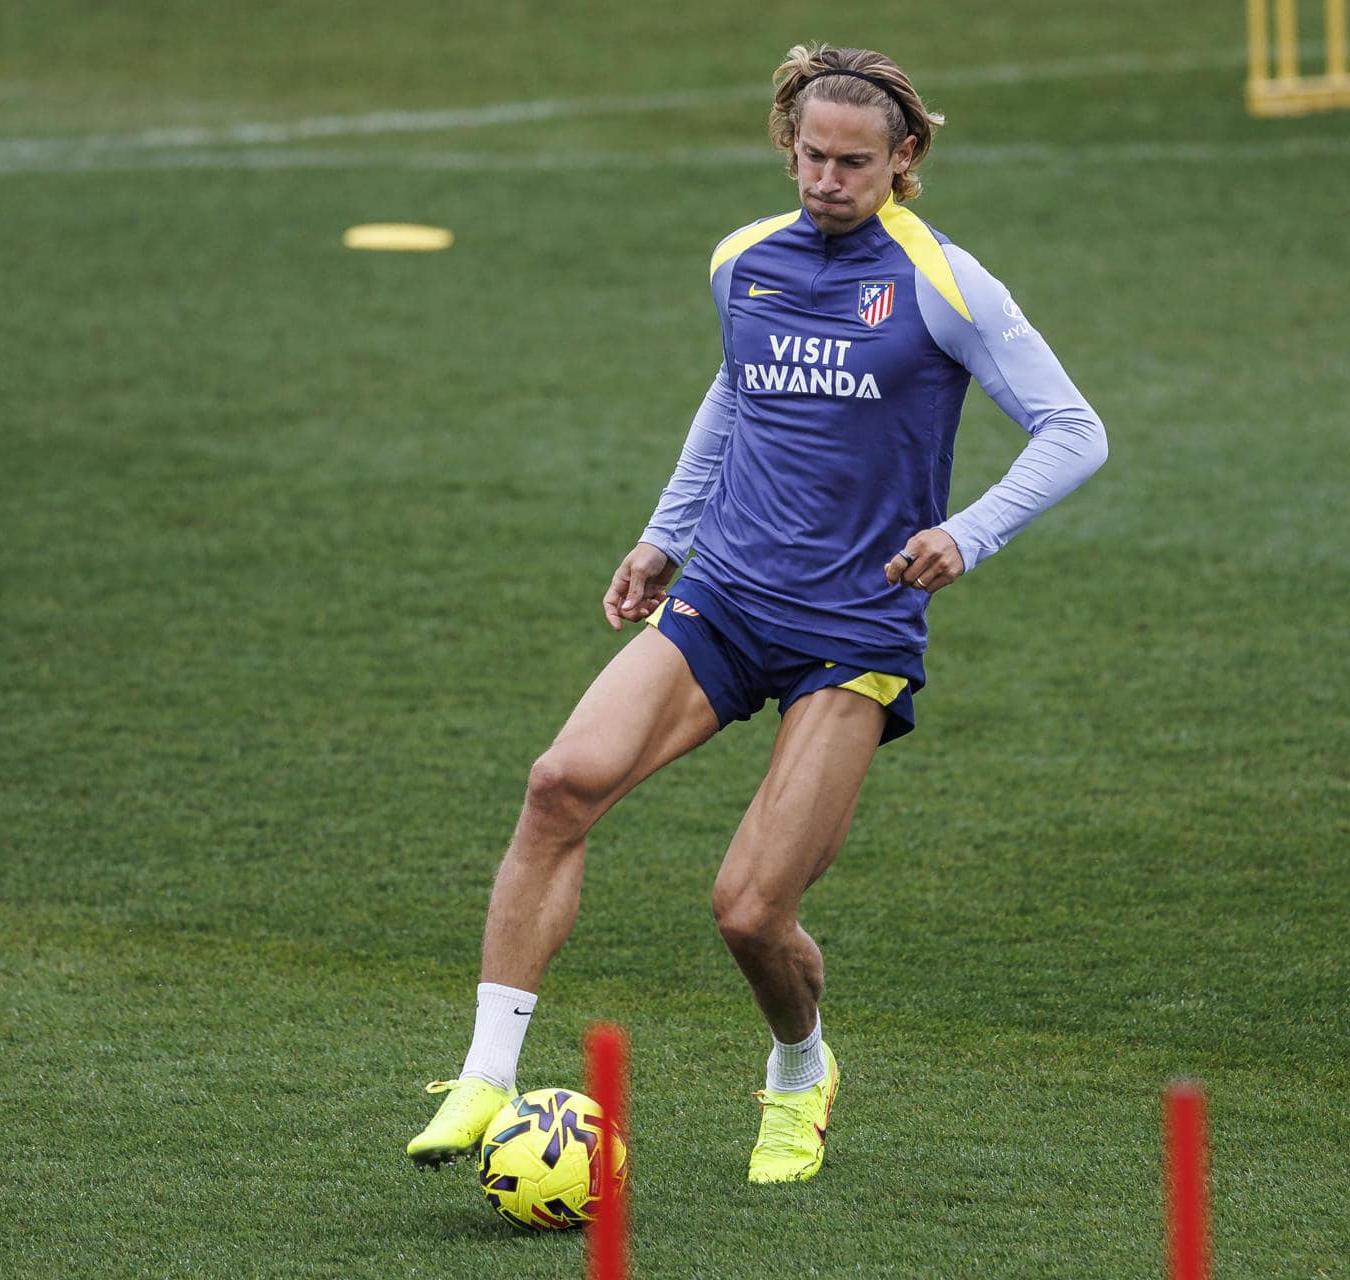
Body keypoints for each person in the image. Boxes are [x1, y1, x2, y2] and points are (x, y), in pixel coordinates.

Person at [407, 41, 1107, 1185]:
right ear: (789, 146)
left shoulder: (946, 283)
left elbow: (1076, 428)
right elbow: (735, 391)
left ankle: (800, 1068)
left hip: (855, 628)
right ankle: (486, 1071)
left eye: (855, 162)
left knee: (747, 910)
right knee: (558, 783)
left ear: (904, 158)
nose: (828, 180)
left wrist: (965, 533)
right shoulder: (745, 261)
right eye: (812, 157)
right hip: (725, 592)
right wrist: (663, 533)